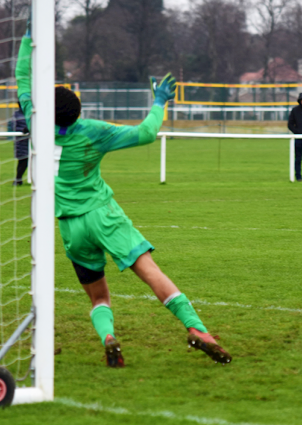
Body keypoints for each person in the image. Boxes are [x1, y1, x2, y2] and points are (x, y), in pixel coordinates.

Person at [15, 27, 231, 367]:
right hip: (104, 216)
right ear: (77, 111)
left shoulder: (35, 121)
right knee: (150, 272)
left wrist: (29, 40)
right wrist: (159, 100)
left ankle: (109, 337)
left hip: (70, 227)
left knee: (99, 296)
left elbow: (22, 80)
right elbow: (146, 133)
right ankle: (198, 330)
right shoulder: (93, 131)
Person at [9, 103, 29, 186]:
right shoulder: (16, 114)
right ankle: (18, 179)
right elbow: (13, 127)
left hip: (33, 140)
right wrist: (23, 130)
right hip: (21, 141)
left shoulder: (32, 112)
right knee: (22, 161)